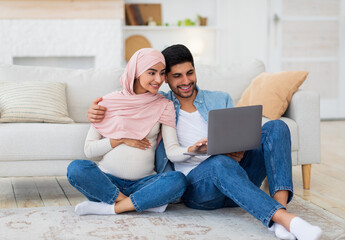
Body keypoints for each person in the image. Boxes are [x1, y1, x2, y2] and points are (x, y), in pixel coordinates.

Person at [87, 45, 322, 240]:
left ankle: (280, 213)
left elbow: (241, 137)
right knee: (219, 163)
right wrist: (95, 111)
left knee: (276, 127)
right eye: (177, 76)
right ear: (165, 79)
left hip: (238, 178)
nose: (186, 81)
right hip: (200, 190)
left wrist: (239, 148)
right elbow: (125, 102)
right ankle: (286, 221)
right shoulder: (158, 105)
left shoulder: (220, 98)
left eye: (190, 73)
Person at [67, 48, 207, 216]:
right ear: (136, 72)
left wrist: (191, 150)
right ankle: (139, 202)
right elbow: (89, 150)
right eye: (151, 73)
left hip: (144, 183)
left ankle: (112, 207)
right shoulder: (108, 102)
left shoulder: (164, 105)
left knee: (177, 180)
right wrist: (121, 140)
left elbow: (172, 151)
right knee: (76, 168)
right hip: (107, 180)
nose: (158, 79)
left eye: (162, 73)